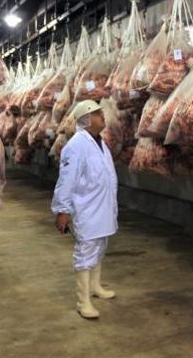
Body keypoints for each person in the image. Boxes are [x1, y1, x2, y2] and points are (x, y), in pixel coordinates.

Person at [51, 100, 118, 319]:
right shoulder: (76, 145)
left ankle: (95, 287)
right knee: (86, 252)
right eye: (99, 114)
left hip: (103, 207)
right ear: (87, 119)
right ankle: (83, 301)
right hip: (87, 209)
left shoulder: (101, 143)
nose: (103, 117)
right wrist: (62, 210)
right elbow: (66, 180)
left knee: (100, 247)